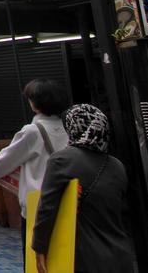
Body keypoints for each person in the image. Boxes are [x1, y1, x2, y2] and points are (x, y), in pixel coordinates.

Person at [32, 104, 134, 273]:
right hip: (119, 254)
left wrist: (39, 247)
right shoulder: (117, 166)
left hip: (83, 254)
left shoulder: (62, 160)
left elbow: (47, 208)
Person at [0, 78, 70, 254]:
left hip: (38, 205)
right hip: (68, 201)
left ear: (35, 103)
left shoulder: (32, 132)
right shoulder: (70, 128)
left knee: (36, 258)